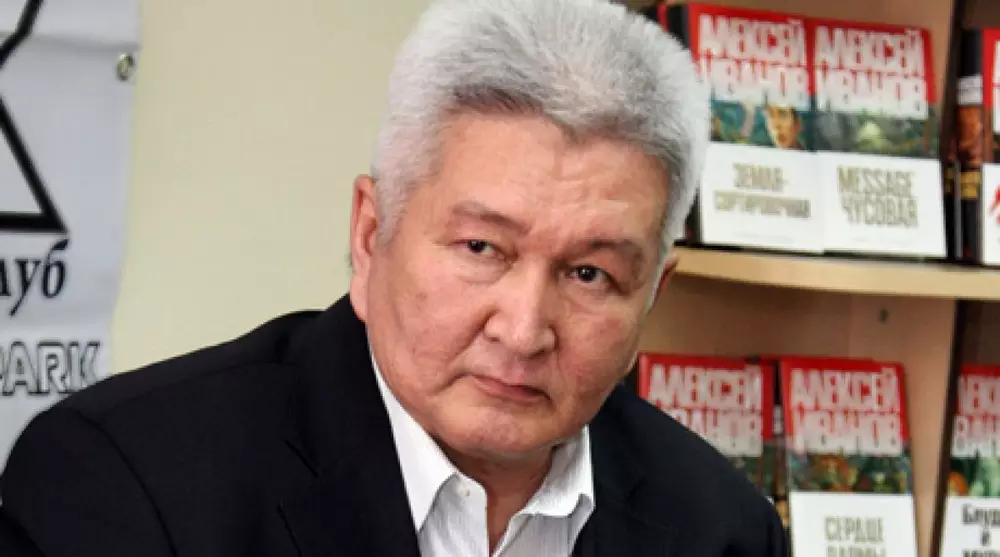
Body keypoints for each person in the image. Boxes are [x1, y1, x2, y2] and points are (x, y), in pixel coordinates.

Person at [0, 0, 788, 555]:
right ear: (370, 235)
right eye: (481, 248)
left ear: (652, 294)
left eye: (589, 273)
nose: (523, 330)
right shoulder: (125, 483)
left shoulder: (724, 530)